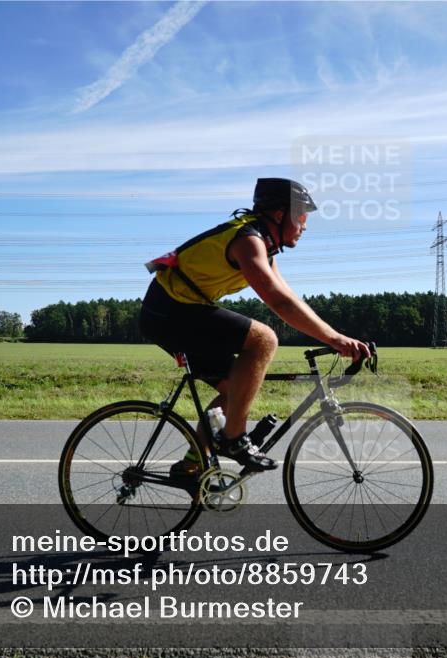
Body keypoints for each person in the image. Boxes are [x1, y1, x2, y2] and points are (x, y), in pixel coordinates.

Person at [139, 178, 370, 477]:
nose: (305, 225)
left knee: (233, 391)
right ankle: (234, 439)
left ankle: (192, 466)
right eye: (301, 216)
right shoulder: (247, 241)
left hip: (180, 310)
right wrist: (336, 339)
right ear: (279, 214)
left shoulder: (264, 248)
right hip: (169, 311)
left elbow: (290, 298)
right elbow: (279, 303)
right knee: (264, 339)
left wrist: (336, 336)